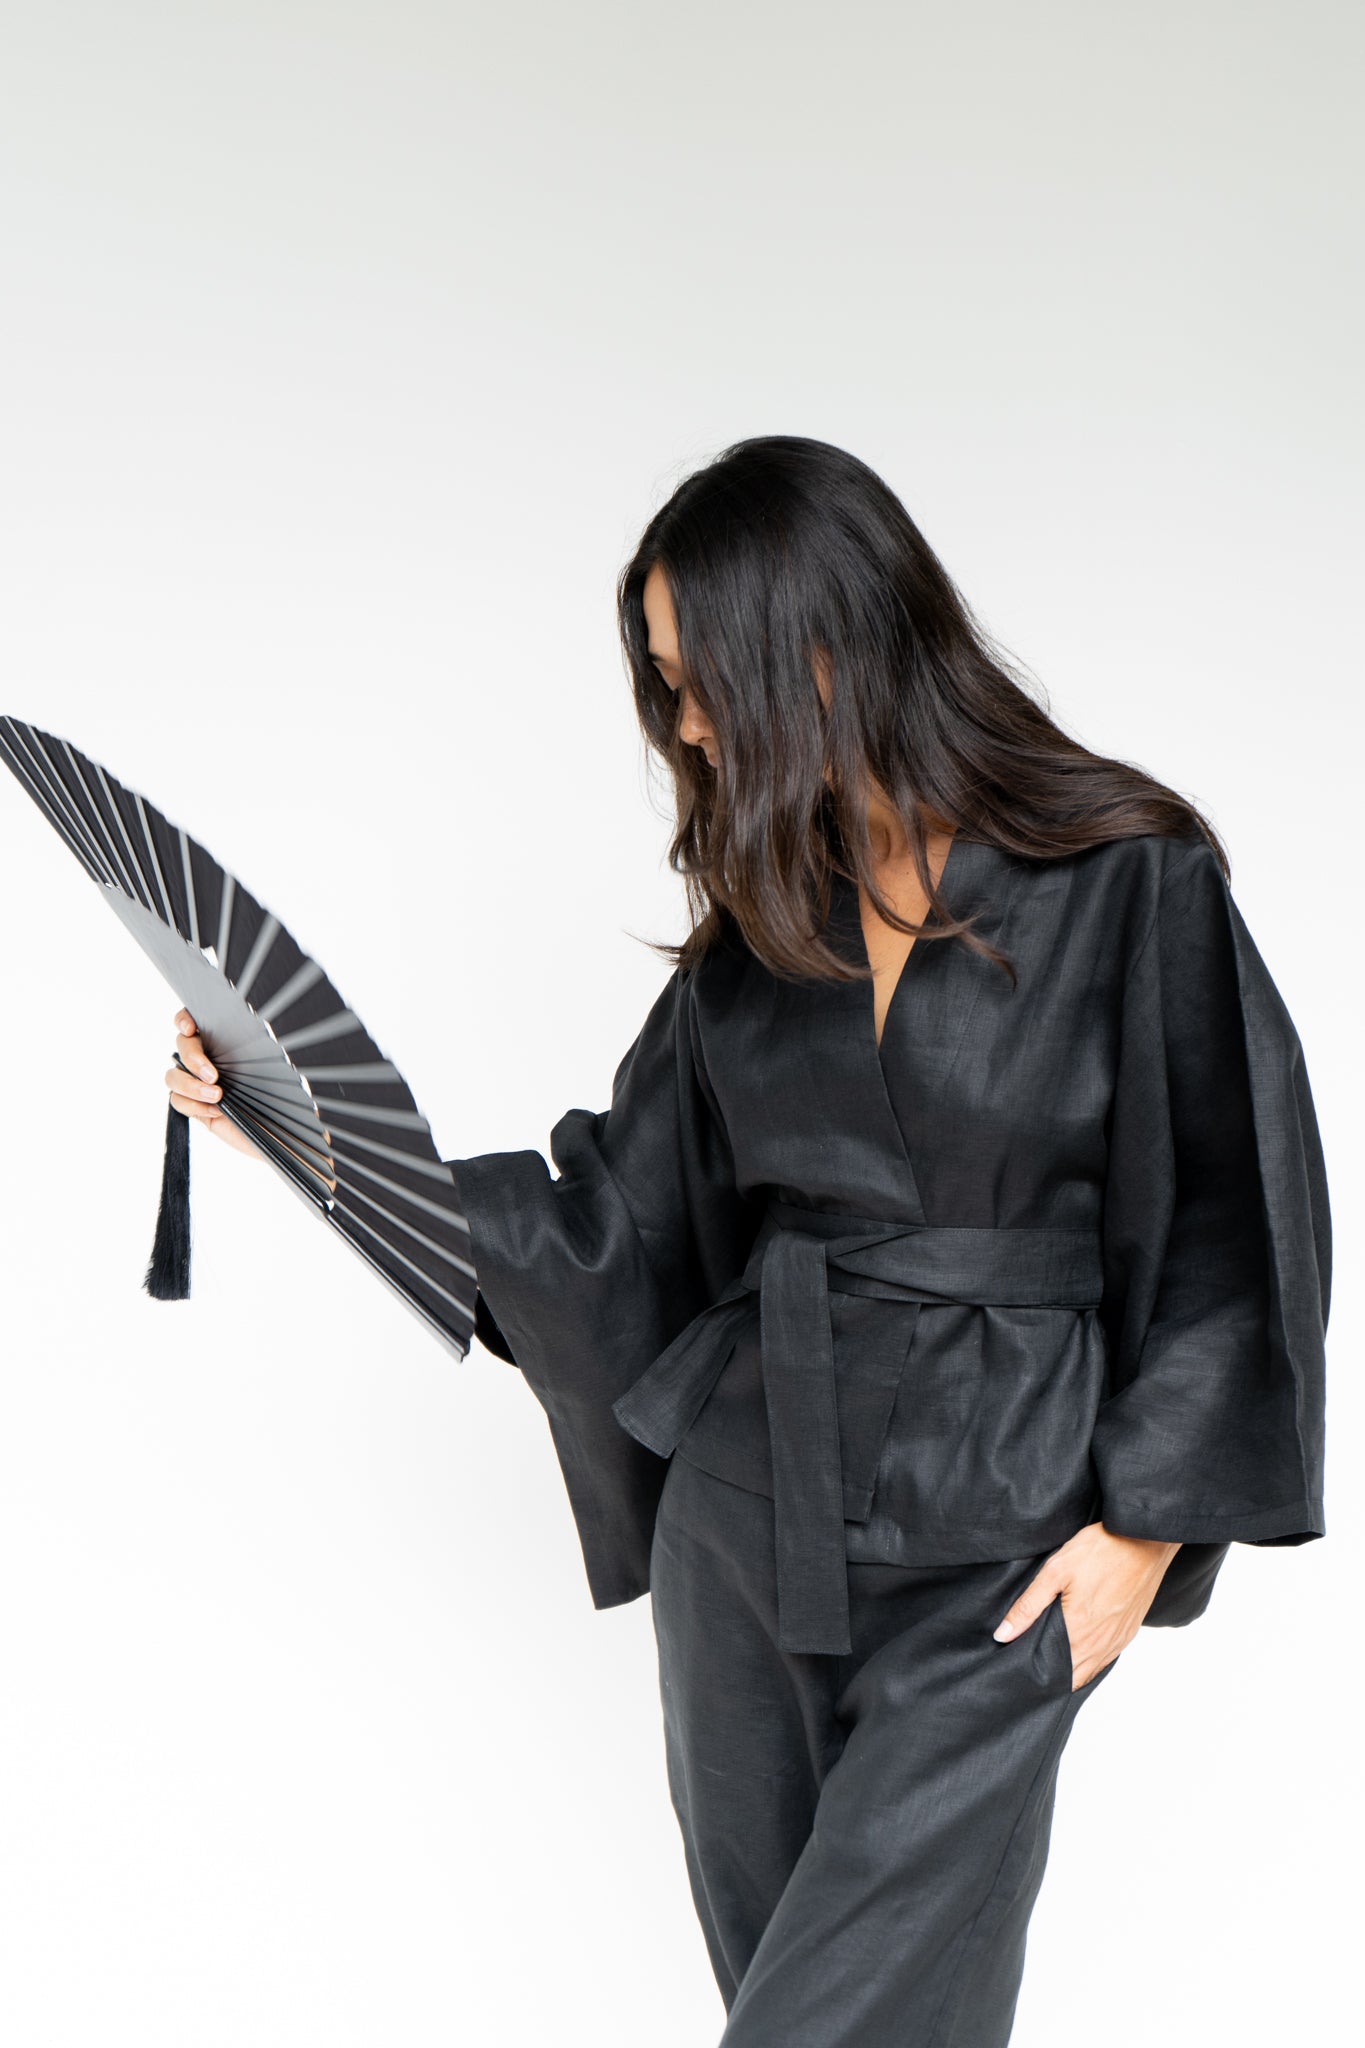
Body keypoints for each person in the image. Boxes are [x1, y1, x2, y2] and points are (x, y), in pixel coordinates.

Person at [164, 435, 1331, 2046]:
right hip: (741, 1526)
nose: (690, 724)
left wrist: (1144, 1533)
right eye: (665, 686)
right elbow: (611, 1219)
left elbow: (1232, 1215)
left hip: (1004, 1547)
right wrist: (315, 1135)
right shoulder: (763, 930)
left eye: (700, 675)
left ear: (822, 642)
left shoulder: (1129, 879)